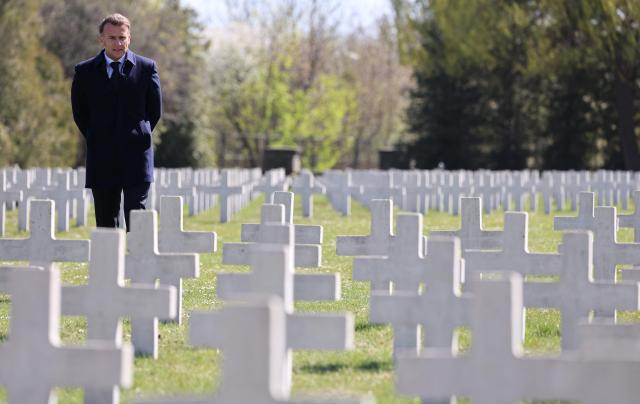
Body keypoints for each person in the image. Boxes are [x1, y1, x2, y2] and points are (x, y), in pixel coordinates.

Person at [71, 13, 162, 231]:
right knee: (105, 224)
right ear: (101, 39)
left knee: (136, 222)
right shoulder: (84, 72)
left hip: (136, 156)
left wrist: (138, 134)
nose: (118, 43)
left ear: (129, 38)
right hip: (101, 157)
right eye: (112, 38)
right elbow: (80, 113)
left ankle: (135, 265)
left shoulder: (146, 68)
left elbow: (154, 112)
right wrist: (96, 134)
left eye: (122, 37)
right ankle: (109, 266)